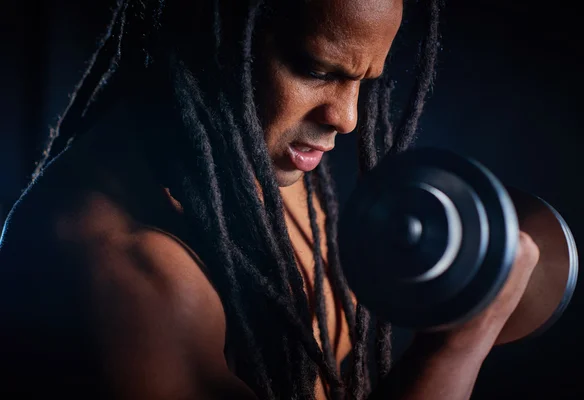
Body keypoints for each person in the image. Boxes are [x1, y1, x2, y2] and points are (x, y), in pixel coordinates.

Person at [0, 0, 540, 398]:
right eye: (315, 70)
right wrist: (455, 347)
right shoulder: (126, 274)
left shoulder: (255, 166)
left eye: (363, 81)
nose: (347, 119)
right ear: (208, 31)